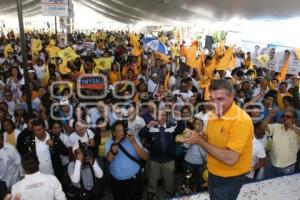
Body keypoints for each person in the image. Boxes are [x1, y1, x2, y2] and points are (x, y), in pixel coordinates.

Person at [182, 79, 254, 200]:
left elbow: (231, 158)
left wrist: (199, 141)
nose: (215, 103)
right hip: (213, 171)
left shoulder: (241, 121)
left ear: (232, 96)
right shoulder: (214, 113)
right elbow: (208, 138)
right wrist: (196, 135)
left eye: (220, 99)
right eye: (212, 98)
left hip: (230, 177)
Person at [139, 110, 185, 200]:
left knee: (169, 178)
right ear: (156, 117)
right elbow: (141, 134)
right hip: (154, 159)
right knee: (152, 178)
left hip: (169, 160)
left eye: (164, 115)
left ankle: (170, 190)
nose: (162, 117)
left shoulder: (172, 126)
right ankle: (151, 192)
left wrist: (179, 118)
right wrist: (148, 126)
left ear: (166, 117)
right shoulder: (151, 127)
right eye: (159, 115)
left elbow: (181, 129)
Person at [105, 120, 148, 200]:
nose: (122, 132)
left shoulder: (133, 139)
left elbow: (145, 157)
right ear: (114, 133)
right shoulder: (109, 142)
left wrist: (134, 143)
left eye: (123, 130)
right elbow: (109, 158)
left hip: (134, 180)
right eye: (119, 130)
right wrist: (117, 141)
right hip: (117, 181)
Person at [21, 119, 69, 183]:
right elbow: (25, 158)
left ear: (44, 128)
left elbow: (66, 152)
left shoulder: (53, 137)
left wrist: (54, 145)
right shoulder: (28, 141)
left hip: (55, 176)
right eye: (35, 130)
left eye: (40, 130)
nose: (38, 132)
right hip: (38, 178)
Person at [260, 108, 300, 178]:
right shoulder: (276, 126)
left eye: (288, 117)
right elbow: (262, 128)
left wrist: (293, 128)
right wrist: (270, 116)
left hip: (287, 168)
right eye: (283, 116)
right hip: (271, 165)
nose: (285, 118)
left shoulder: (297, 131)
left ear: (294, 119)